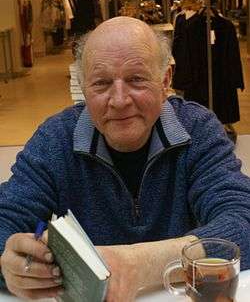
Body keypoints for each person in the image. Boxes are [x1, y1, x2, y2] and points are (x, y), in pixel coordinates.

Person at [0, 16, 250, 301]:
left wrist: (138, 264)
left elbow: (242, 219)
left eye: (136, 79)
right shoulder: (55, 140)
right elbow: (7, 215)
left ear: (165, 80)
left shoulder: (197, 130)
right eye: (101, 83)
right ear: (83, 88)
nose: (119, 100)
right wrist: (8, 263)